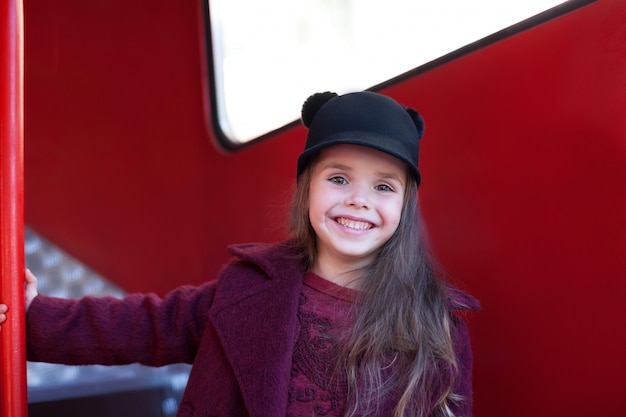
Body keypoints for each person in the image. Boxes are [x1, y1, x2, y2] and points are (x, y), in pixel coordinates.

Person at [0, 91, 479, 417]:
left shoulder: (434, 326)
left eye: (383, 186)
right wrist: (31, 317)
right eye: (338, 178)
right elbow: (143, 325)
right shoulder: (245, 287)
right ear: (306, 187)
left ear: (405, 206)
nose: (358, 199)